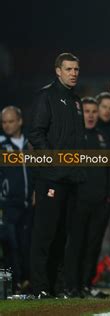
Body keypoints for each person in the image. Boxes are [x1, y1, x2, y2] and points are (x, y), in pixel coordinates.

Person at [28, 52, 85, 299]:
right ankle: (39, 286)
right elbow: (36, 134)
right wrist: (53, 161)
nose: (73, 73)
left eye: (76, 69)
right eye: (69, 69)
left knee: (63, 235)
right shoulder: (46, 97)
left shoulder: (76, 101)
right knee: (44, 234)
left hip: (72, 179)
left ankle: (57, 286)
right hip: (51, 178)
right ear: (58, 71)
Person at [64, 97, 110, 298]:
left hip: (99, 202)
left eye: (94, 111)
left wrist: (107, 196)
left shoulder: (101, 137)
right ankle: (71, 286)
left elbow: (108, 170)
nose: (91, 115)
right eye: (87, 111)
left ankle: (87, 284)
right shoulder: (73, 137)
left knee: (93, 245)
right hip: (78, 200)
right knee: (75, 244)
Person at [0, 106, 33, 294]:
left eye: (10, 121)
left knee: (26, 245)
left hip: (29, 204)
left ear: (20, 122)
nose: (7, 125)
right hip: (8, 205)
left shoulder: (31, 145)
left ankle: (26, 283)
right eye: (4, 122)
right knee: (10, 246)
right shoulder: (2, 145)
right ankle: (13, 286)